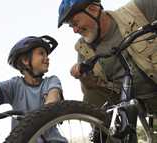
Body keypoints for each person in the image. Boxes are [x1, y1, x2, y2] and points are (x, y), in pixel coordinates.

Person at [57, 0, 157, 142]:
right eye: (71, 26)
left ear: (93, 9)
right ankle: (107, 138)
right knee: (92, 93)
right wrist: (85, 79)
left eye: (75, 22)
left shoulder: (137, 10)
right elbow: (91, 91)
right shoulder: (83, 49)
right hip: (130, 101)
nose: (74, 29)